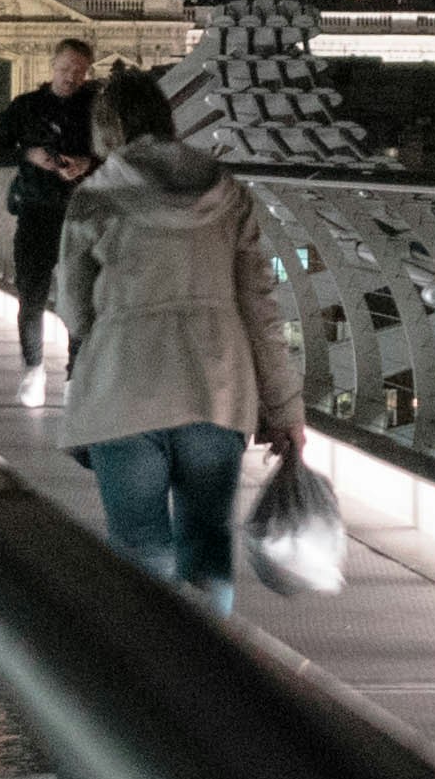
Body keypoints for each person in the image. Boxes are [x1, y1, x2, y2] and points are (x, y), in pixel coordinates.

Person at [53, 63, 306, 617]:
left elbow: (73, 307)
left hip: (124, 388)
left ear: (107, 130)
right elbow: (260, 309)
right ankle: (206, 677)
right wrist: (285, 407)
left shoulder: (94, 197)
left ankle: (150, 681)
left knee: (140, 551)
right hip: (216, 389)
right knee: (207, 551)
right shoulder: (228, 193)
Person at [0, 37, 99, 404]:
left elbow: (115, 155)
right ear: (52, 66)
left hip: (80, 213)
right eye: (66, 69)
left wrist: (86, 165)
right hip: (36, 212)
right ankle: (33, 368)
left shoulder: (96, 109)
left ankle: (74, 378)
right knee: (31, 296)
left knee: (80, 298)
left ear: (87, 73)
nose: (71, 77)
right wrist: (30, 155)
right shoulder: (26, 107)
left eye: (79, 72)